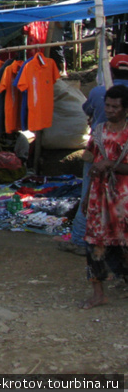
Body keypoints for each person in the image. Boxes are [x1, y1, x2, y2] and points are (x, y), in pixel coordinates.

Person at [64, 55, 128, 255]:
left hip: (101, 153)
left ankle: (81, 241)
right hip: (118, 157)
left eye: (113, 107)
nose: (110, 110)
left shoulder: (99, 91)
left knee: (90, 196)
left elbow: (87, 110)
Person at [80, 84, 128, 309]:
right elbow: (91, 161)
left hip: (123, 199)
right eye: (107, 105)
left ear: (125, 109)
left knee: (123, 244)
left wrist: (112, 165)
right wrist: (86, 197)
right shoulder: (98, 132)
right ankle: (98, 293)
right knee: (94, 245)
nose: (110, 110)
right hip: (99, 197)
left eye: (115, 107)